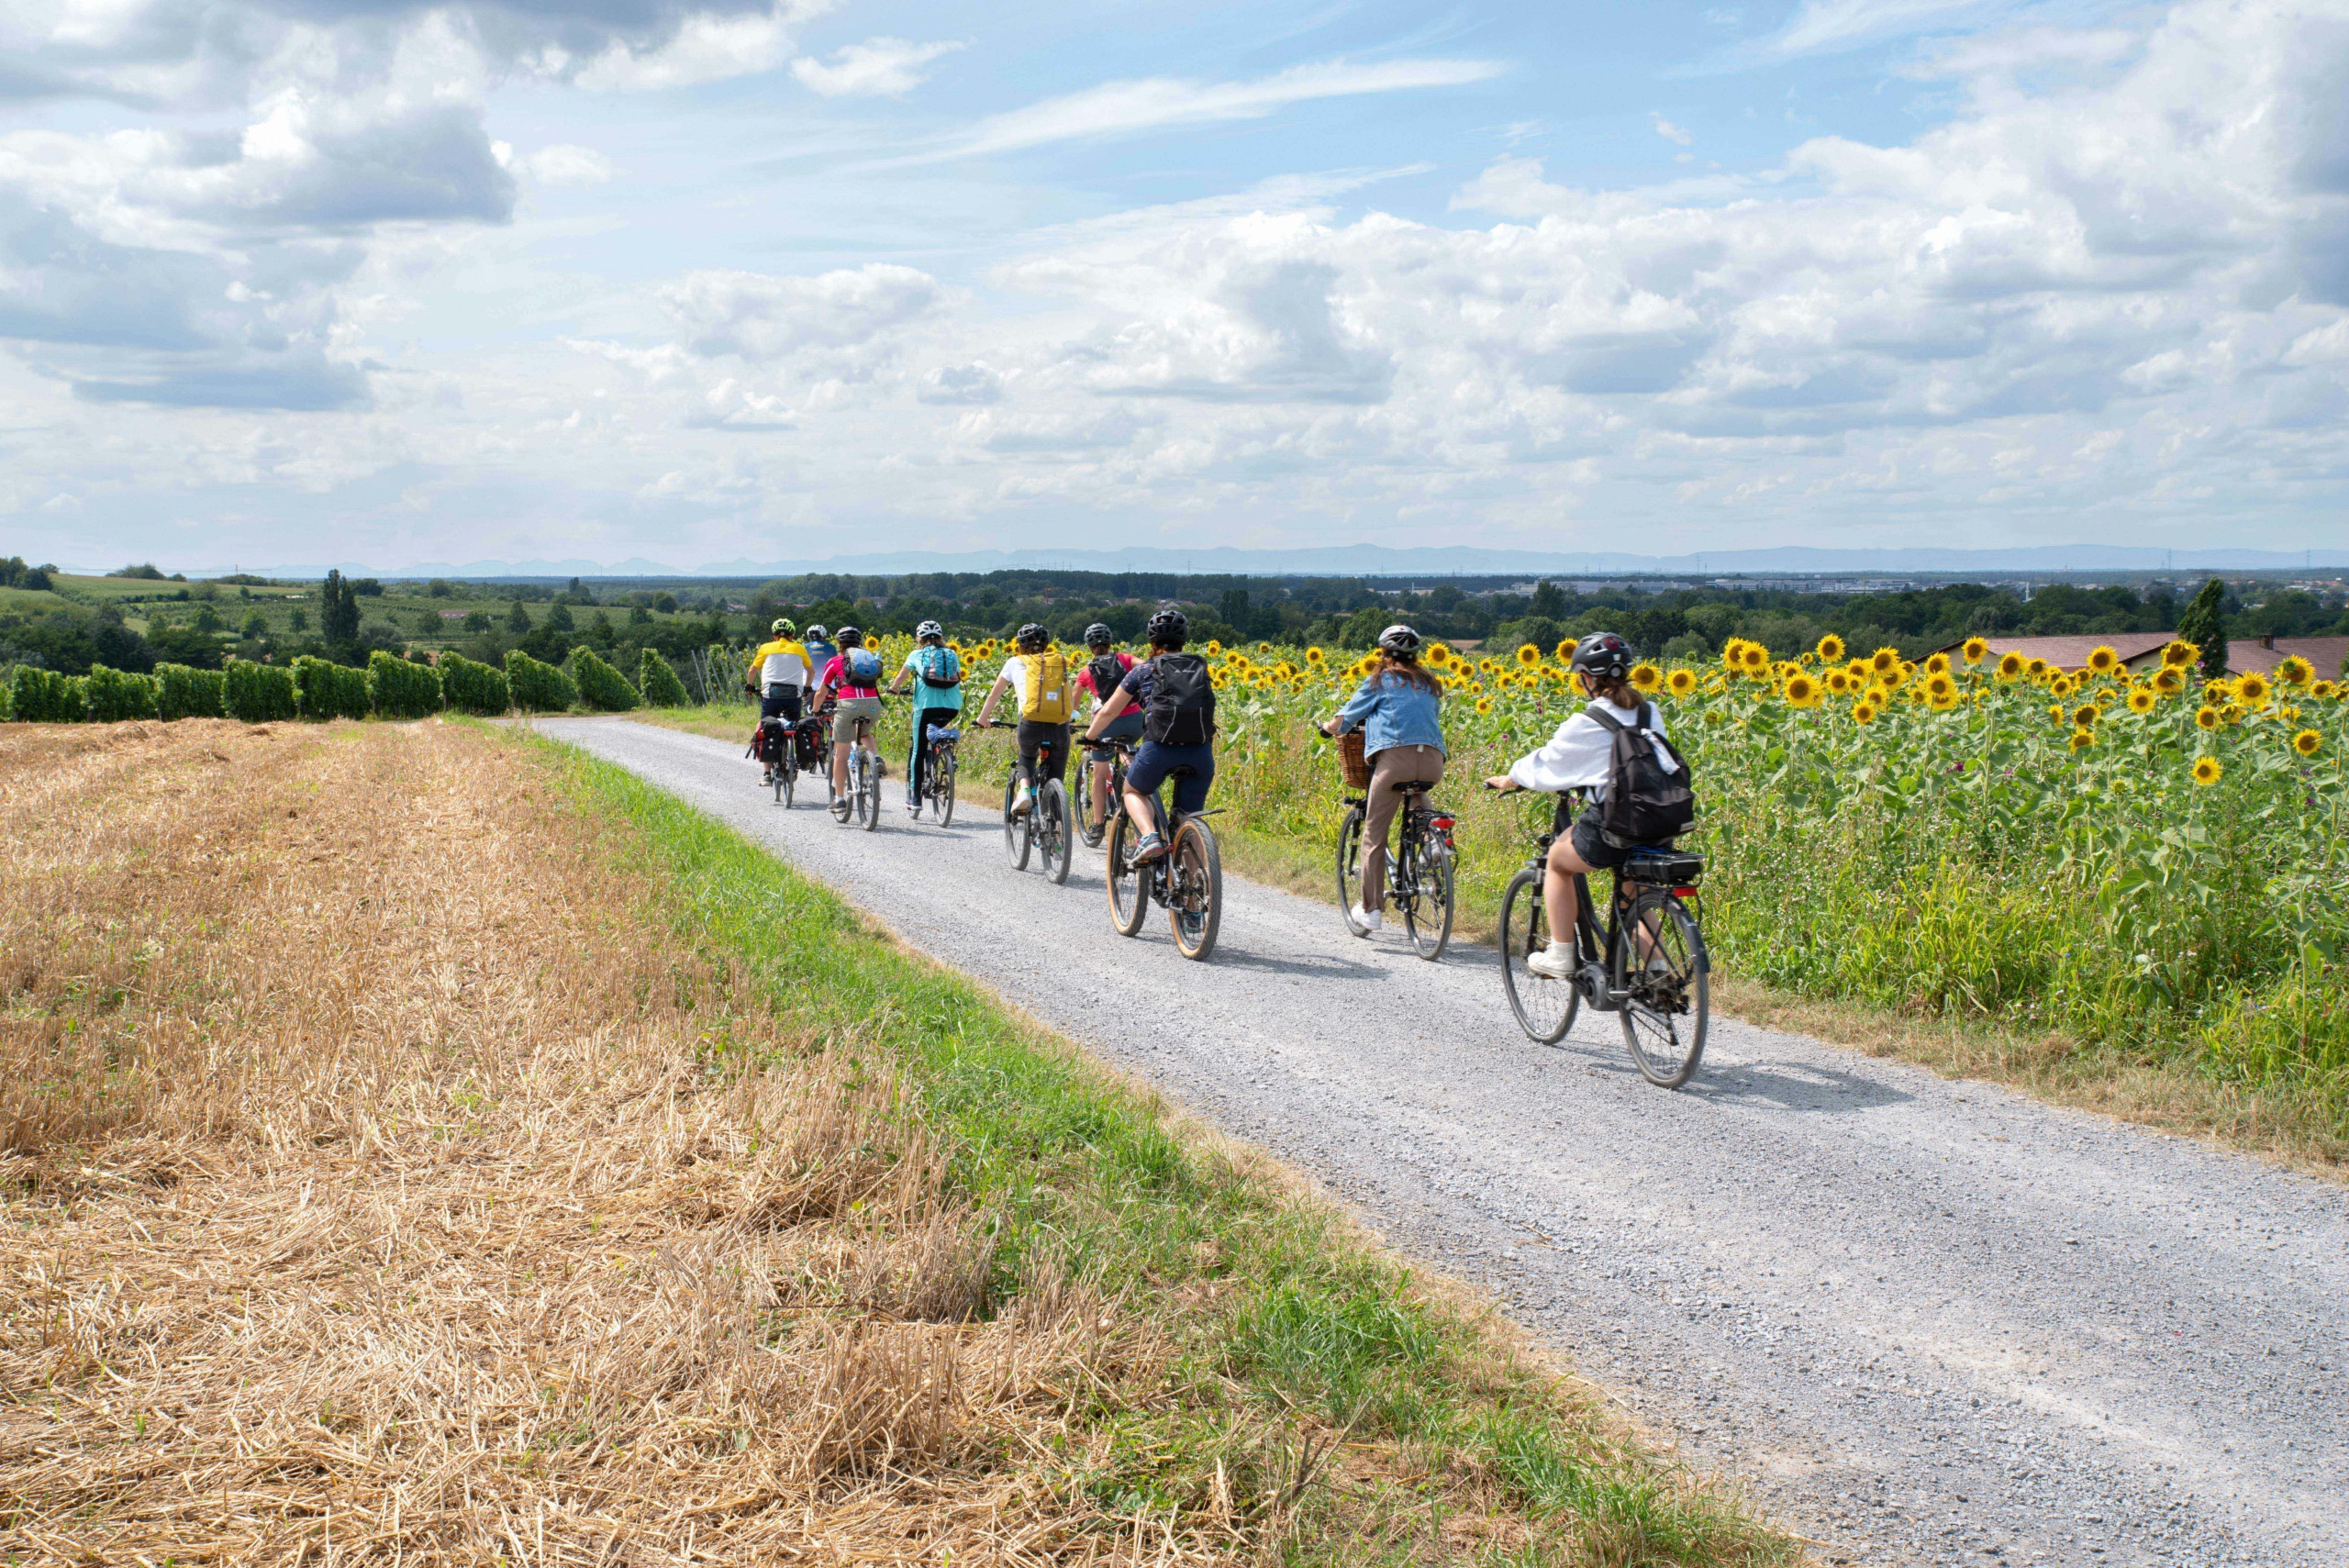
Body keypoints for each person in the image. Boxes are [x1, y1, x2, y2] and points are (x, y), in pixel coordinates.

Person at [1486, 631, 1681, 979]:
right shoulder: (1650, 713)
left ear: (1588, 678)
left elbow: (1549, 763)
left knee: (1558, 863)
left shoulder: (1589, 721)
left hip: (1616, 825)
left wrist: (1511, 778)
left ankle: (1561, 954)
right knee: (1634, 895)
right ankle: (1657, 974)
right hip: (1659, 821)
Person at [1319, 624, 1445, 933]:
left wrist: (1327, 727)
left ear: (1384, 653)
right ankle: (1432, 842)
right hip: (1432, 762)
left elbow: (1345, 718)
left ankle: (1372, 910)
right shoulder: (1428, 684)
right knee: (1417, 795)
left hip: (1394, 764)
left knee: (1374, 835)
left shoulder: (1380, 681)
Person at [1082, 607, 1215, 864]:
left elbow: (1108, 711)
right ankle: (1190, 895)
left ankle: (1149, 837)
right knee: (1190, 818)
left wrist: (1090, 736)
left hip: (1160, 748)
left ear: (1151, 641)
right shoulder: (1199, 668)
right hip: (1200, 752)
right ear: (1184, 640)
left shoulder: (1144, 670)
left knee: (1132, 792)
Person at [974, 623, 1075, 818]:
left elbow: (994, 695)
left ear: (1020, 645)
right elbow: (1068, 698)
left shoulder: (1014, 662)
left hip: (1030, 723)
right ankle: (1057, 826)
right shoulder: (1056, 663)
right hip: (1059, 726)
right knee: (1056, 773)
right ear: (1046, 646)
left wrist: (982, 718)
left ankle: (1024, 791)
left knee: (1027, 756)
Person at [889, 619, 963, 817]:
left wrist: (894, 689)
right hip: (952, 707)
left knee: (918, 749)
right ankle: (943, 757)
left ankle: (915, 799)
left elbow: (900, 677)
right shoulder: (952, 654)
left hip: (925, 707)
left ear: (919, 639)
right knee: (936, 732)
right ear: (941, 637)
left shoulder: (916, 654)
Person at [812, 625, 885, 819]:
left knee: (841, 755)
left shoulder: (836, 661)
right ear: (860, 642)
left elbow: (822, 691)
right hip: (873, 705)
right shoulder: (869, 659)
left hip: (848, 705)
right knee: (864, 733)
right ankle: (876, 759)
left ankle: (839, 799)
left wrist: (815, 710)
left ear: (840, 644)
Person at [1075, 622, 1140, 841]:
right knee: (1127, 751)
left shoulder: (1085, 672)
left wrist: (1068, 723)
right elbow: (1152, 668)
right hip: (1136, 719)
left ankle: (1098, 824)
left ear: (1089, 647)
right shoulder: (1126, 659)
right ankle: (1135, 778)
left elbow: (1072, 707)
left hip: (1107, 723)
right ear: (1111, 643)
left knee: (1100, 773)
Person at [743, 617, 811, 784]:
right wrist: (807, 688)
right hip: (793, 696)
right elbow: (811, 671)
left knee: (766, 727)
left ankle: (767, 774)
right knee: (795, 727)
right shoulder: (799, 648)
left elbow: (753, 670)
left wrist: (749, 686)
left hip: (770, 695)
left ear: (774, 635)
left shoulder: (766, 648)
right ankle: (798, 757)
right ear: (792, 635)